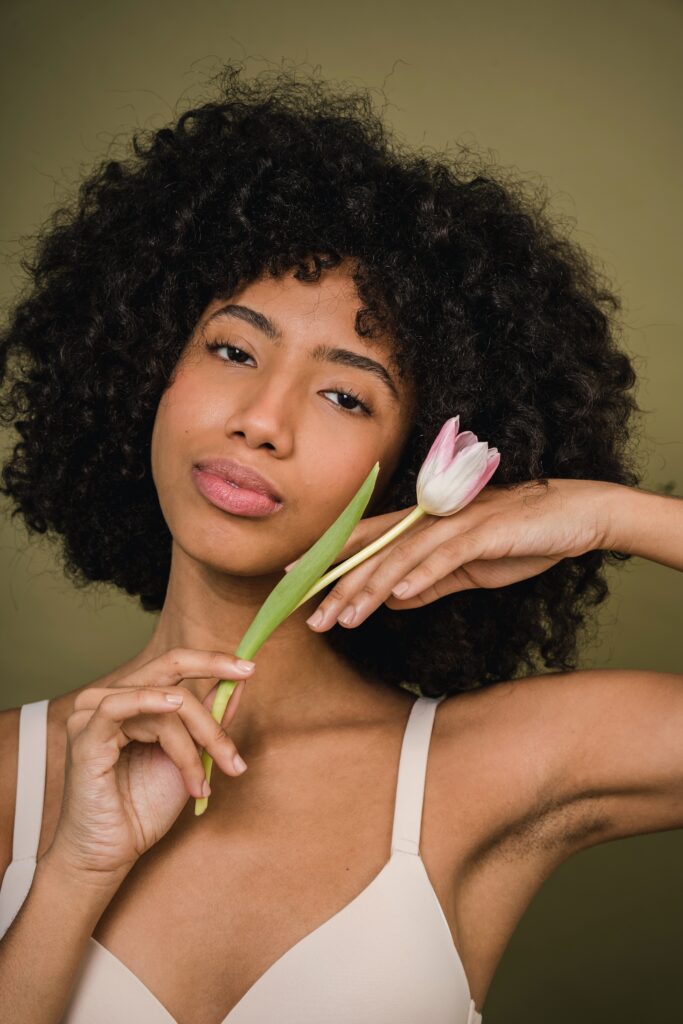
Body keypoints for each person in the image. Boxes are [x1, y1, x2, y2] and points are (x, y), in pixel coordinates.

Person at [0, 60, 680, 1024]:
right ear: (143, 368)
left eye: (345, 393)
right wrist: (73, 869)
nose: (261, 420)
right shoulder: (12, 779)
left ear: (410, 461)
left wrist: (606, 514)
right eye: (233, 350)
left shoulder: (485, 770)